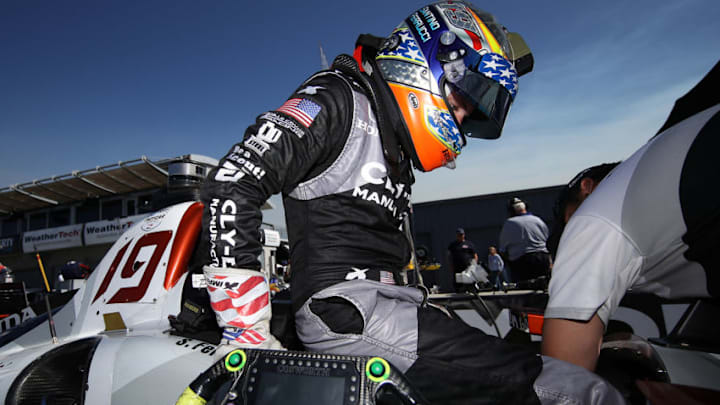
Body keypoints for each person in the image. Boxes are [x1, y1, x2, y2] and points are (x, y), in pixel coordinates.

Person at [199, 2, 622, 403]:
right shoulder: (340, 96)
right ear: (430, 61)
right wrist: (246, 336)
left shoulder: (391, 140)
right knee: (581, 392)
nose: (459, 119)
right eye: (459, 102)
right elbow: (235, 178)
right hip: (350, 312)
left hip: (392, 308)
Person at [542, 60, 720, 372]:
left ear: (588, 188)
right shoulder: (662, 173)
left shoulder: (592, 218)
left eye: (567, 224)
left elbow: (565, 382)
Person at [498, 197, 552, 283]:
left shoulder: (510, 223)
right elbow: (548, 240)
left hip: (522, 261)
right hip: (543, 258)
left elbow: (503, 248)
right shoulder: (538, 220)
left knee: (524, 288)